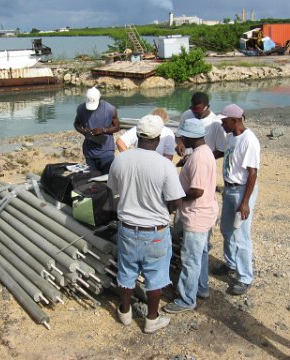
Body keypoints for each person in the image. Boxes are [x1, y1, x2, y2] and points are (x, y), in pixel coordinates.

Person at [108, 114, 185, 334]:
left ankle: (124, 312)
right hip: (155, 232)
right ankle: (151, 319)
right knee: (156, 276)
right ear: (158, 138)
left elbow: (112, 189)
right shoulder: (164, 166)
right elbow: (176, 202)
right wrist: (166, 209)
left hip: (128, 229)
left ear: (137, 135)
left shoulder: (120, 160)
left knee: (126, 271)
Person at [163, 119, 218, 313]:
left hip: (197, 215)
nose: (181, 140)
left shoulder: (199, 158)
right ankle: (201, 288)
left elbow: (197, 191)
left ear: (189, 137)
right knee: (200, 255)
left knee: (190, 259)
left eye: (182, 137)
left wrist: (176, 197)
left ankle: (187, 299)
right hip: (203, 212)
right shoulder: (203, 152)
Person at [212, 104, 260, 296]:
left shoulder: (250, 141)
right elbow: (223, 152)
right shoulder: (232, 137)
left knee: (241, 235)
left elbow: (253, 173)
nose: (222, 125)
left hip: (242, 191)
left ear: (235, 120)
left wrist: (245, 201)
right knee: (226, 229)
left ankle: (245, 277)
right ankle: (231, 264)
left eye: (224, 121)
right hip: (230, 189)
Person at [74, 87, 120, 174]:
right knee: (92, 182)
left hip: (106, 152)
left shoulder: (110, 109)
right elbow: (76, 124)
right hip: (89, 153)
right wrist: (83, 131)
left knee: (107, 180)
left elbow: (117, 127)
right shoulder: (80, 109)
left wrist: (103, 130)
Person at [175, 92, 227, 161]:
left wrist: (198, 159)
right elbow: (178, 135)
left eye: (198, 110)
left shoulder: (216, 123)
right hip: (187, 161)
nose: (195, 113)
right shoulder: (186, 115)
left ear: (207, 107)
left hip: (205, 163)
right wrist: (180, 144)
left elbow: (221, 151)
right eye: (192, 109)